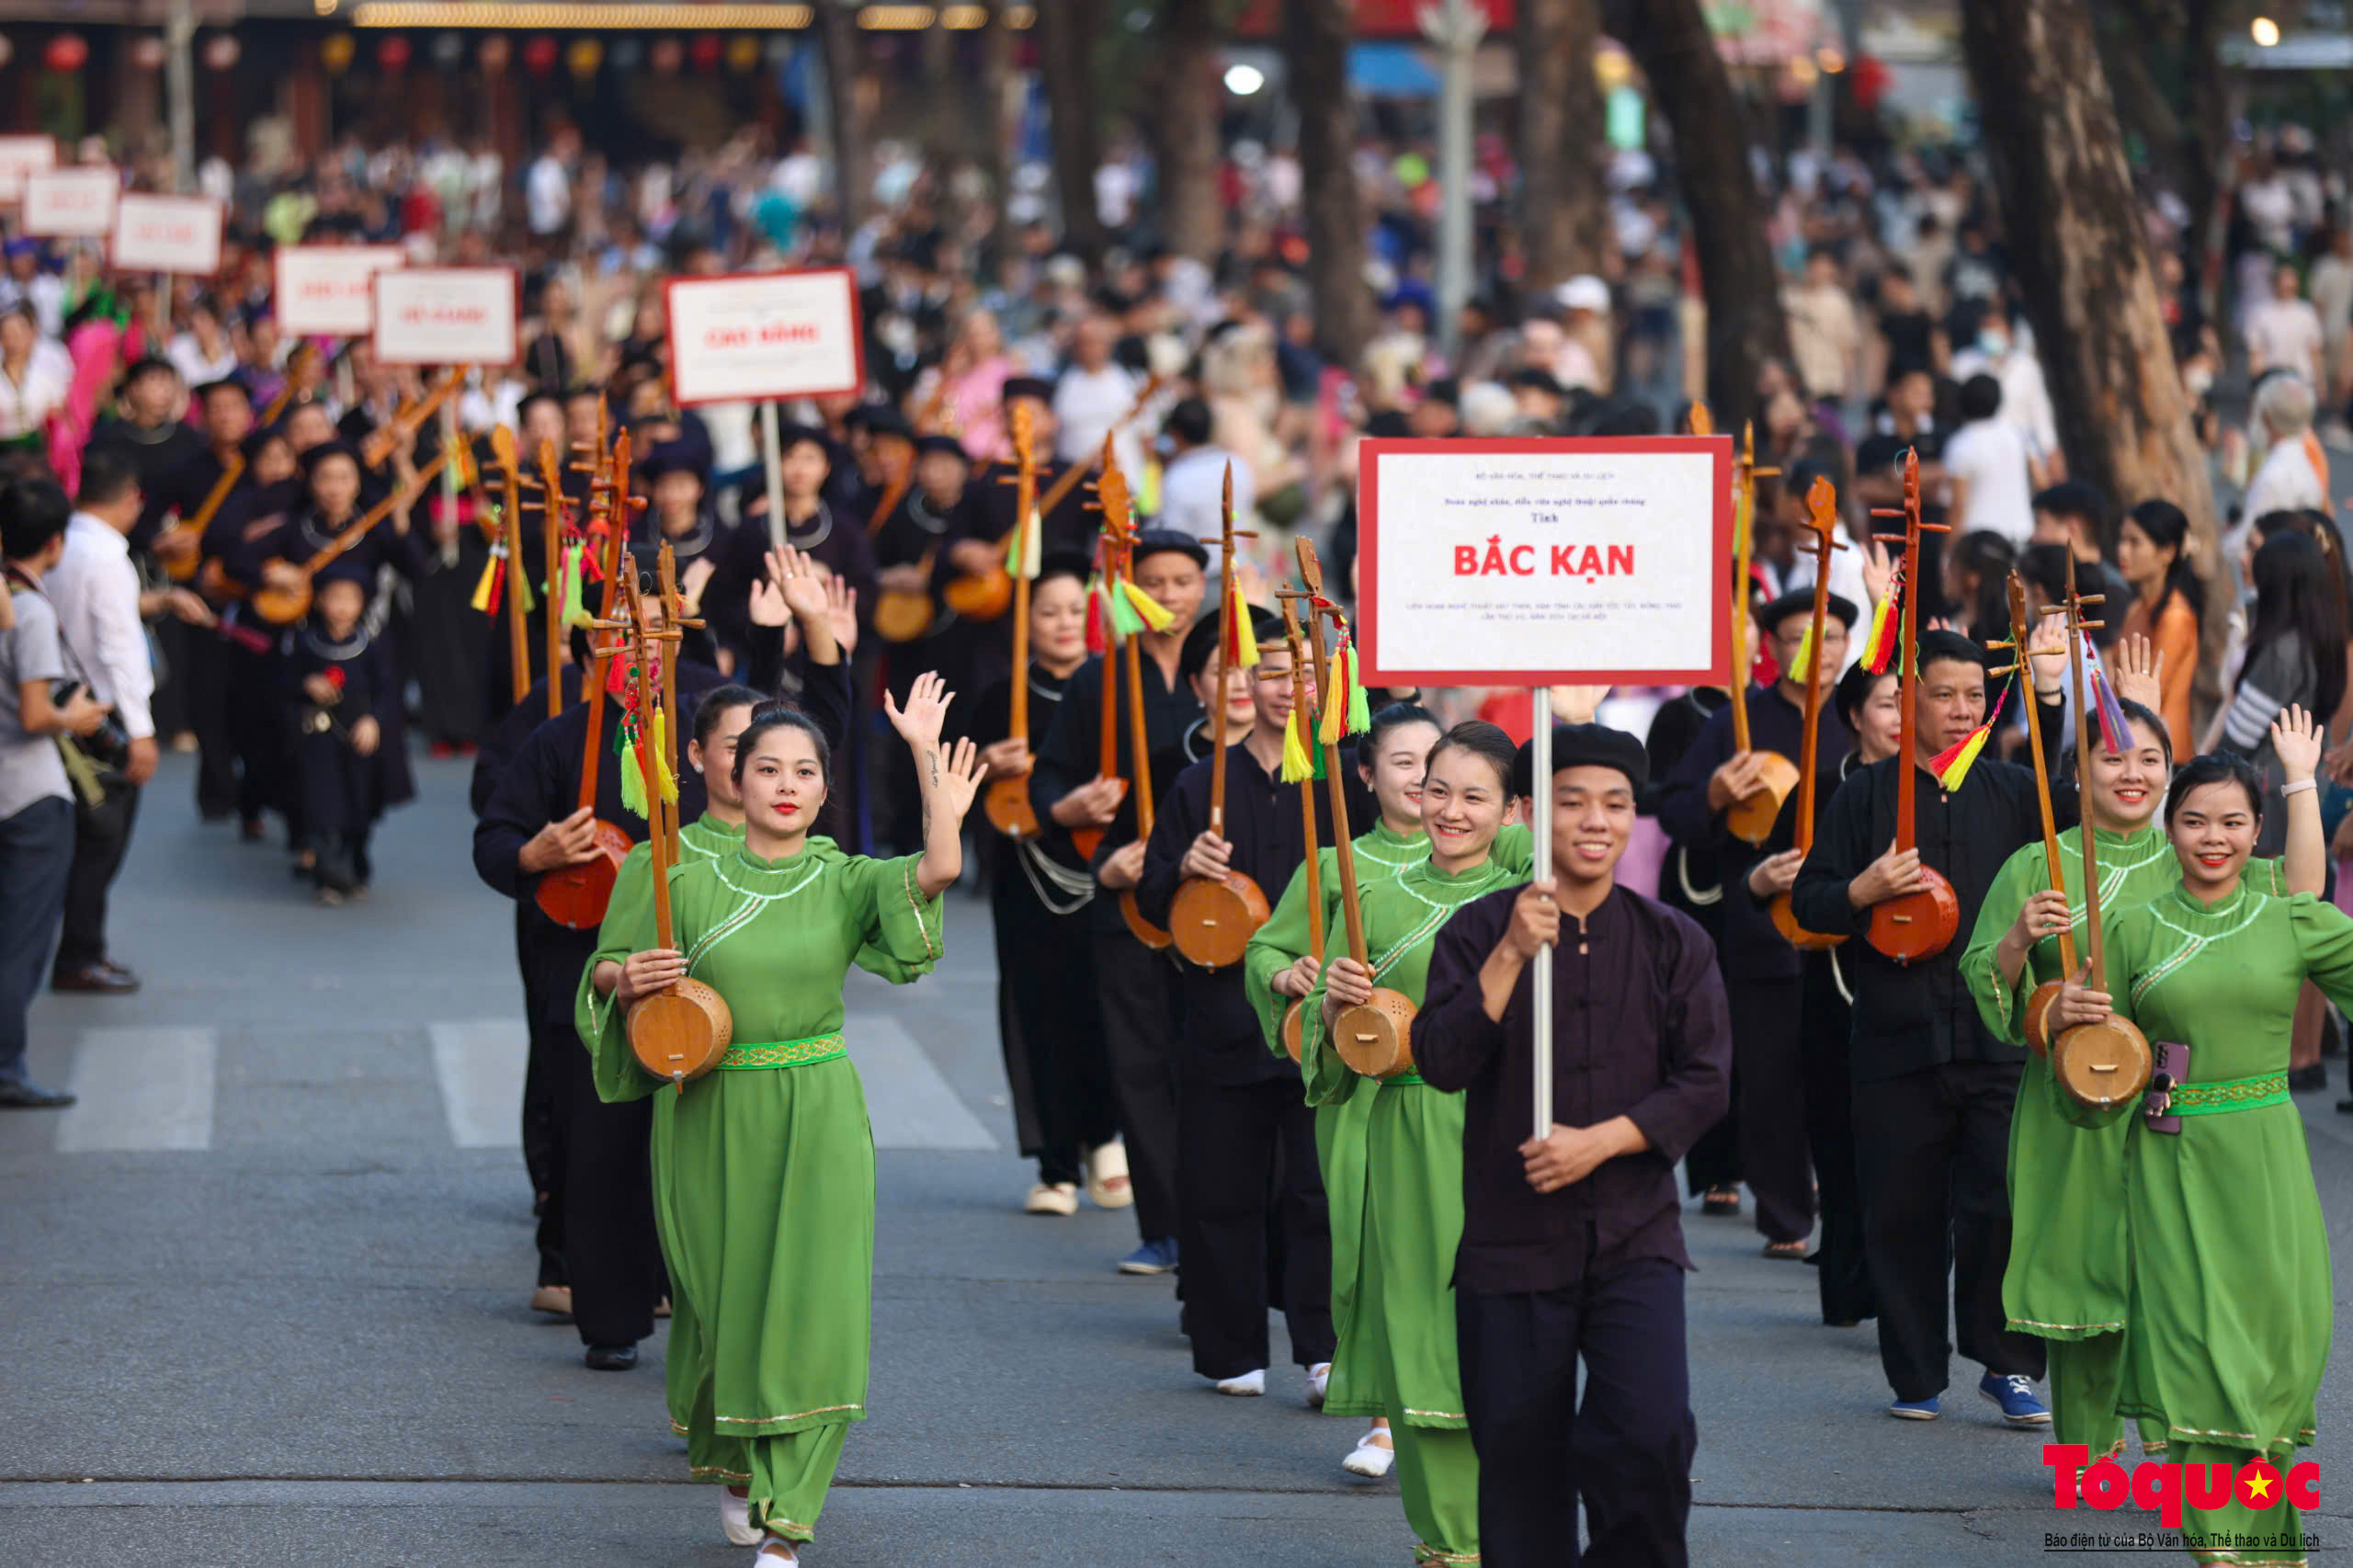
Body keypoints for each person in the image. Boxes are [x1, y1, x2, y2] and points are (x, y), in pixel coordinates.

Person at [578, 681, 982, 1563]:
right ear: (734, 774)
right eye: (767, 767)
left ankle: (788, 1522)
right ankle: (737, 1464)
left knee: (814, 1311)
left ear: (827, 791)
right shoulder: (672, 870)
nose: (786, 784)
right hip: (708, 1110)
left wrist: (927, 766)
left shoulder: (842, 879)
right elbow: (603, 973)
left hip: (817, 1110)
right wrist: (630, 978)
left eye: (805, 771)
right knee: (723, 1310)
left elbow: (937, 872)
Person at [1963, 703, 2323, 1465]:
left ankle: (2186, 1442)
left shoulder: (2196, 851)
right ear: (2076, 771)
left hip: (2181, 1115)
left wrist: (2299, 784)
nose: (2133, 773)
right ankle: (2086, 1456)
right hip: (2079, 1110)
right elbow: (1984, 983)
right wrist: (2022, 947)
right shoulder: (2039, 866)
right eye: (2113, 758)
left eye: (2151, 759)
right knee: (2088, 1289)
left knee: (2176, 1282)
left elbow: (2299, 902)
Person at [1414, 722, 1731, 1568]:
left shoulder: (1675, 942)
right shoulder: (1481, 931)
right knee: (1519, 1460)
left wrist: (1603, 1143)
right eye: (1574, 800)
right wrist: (1514, 953)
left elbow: (1706, 1081)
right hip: (1510, 1242)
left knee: (1650, 1433)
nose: (1597, 820)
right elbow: (1439, 1061)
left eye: (1617, 803)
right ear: (1528, 812)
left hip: (1635, 1236)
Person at [2048, 752, 2353, 1567]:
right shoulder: (2135, 927)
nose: (2212, 838)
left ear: (2258, 834)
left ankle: (2260, 1536)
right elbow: (2089, 1062)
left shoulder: (2288, 915)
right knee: (2191, 1351)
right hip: (2166, 1160)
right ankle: (2222, 1548)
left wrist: (2300, 782)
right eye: (2193, 820)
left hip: (2264, 1159)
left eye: (2231, 822)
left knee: (2276, 1349)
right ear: (2167, 828)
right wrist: (2062, 1021)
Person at [1789, 626, 2070, 1424]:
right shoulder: (1865, 795)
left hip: (1996, 1036)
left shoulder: (2014, 791)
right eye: (1942, 695)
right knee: (1902, 1209)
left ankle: (2007, 1362)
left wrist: (2049, 695)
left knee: (2000, 1203)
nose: (1958, 711)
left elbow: (2077, 814)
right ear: (1907, 704)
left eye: (1974, 697)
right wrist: (1863, 889)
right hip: (1893, 1035)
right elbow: (1810, 904)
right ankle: (1915, 1372)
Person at [1290, 721, 1535, 1562]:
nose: (1452, 811)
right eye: (1439, 790)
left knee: (1492, 1341)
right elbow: (1330, 1045)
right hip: (1395, 1133)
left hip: (1493, 1133)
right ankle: (1445, 1542)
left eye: (1476, 797)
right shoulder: (1370, 890)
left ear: (1512, 809)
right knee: (1413, 1342)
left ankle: (1500, 1534)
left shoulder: (1528, 897)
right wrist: (1331, 1002)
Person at [1135, 608, 1337, 1400]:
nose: (1290, 689)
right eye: (1275, 672)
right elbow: (1154, 904)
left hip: (1320, 1011)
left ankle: (1324, 1345)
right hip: (1224, 1013)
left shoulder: (1341, 775)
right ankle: (1230, 1347)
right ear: (1247, 682)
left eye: (1306, 673)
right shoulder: (1201, 784)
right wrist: (1186, 865)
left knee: (1316, 1190)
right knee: (1221, 1186)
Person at [1245, 699, 1446, 1476]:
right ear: (1364, 774)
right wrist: (1284, 971)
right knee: (1369, 1245)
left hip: (1455, 1084)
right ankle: (1385, 1416)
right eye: (1402, 762)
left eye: (1438, 765)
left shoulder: (1493, 860)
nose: (1424, 780)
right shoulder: (1335, 864)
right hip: (1361, 1084)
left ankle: (1449, 1401)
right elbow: (1268, 944)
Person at [1029, 528, 1209, 1275]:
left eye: (1182, 581)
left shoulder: (1226, 671)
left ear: (1205, 586)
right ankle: (1164, 1227)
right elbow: (1048, 783)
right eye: (1154, 582)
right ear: (1128, 589)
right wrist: (1077, 814)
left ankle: (1218, 1232)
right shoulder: (1100, 679)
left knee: (1207, 1067)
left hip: (1217, 896)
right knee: (1138, 1064)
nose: (1169, 596)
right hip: (1130, 894)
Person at [1658, 587, 1856, 1258]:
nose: (1817, 651)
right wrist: (1716, 793)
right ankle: (1786, 1215)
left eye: (1829, 637)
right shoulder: (1737, 721)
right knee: (1770, 1076)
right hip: (1761, 923)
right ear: (1770, 647)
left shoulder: (1863, 718)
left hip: (1852, 925)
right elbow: (1678, 814)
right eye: (1800, 636)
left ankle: (1847, 1212)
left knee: (1843, 1073)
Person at [961, 553, 1122, 1216]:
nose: (1062, 623)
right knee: (1038, 1013)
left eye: (1073, 610)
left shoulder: (1115, 690)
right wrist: (982, 765)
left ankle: (1106, 1138)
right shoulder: (1002, 696)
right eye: (1047, 611)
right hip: (1026, 877)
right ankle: (1055, 1161)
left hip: (1104, 872)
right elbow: (952, 792)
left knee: (1108, 1006)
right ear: (1025, 621)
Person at [43, 453, 169, 989]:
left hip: (60, 700)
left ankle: (79, 948)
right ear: (129, 499)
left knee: (79, 837)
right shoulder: (108, 558)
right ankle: (80, 954)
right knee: (101, 840)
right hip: (102, 713)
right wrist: (141, 733)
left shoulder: (58, 544)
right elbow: (121, 650)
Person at [0, 477, 104, 1108]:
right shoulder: (29, 609)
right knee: (21, 941)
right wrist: (81, 718)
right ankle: (7, 1066)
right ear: (55, 543)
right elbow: (38, 714)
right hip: (29, 792)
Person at [2114, 500, 2207, 756]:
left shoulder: (2176, 615)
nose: (2122, 551)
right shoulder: (2136, 608)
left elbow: (2151, 689)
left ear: (2167, 552)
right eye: (2122, 540)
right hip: (2126, 739)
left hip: (2163, 751)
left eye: (2134, 542)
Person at [1943, 374, 2035, 548]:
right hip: (2020, 535)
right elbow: (2041, 479)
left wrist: (1949, 552)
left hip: (1980, 543)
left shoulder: (1960, 444)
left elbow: (1958, 505)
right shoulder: (2017, 435)